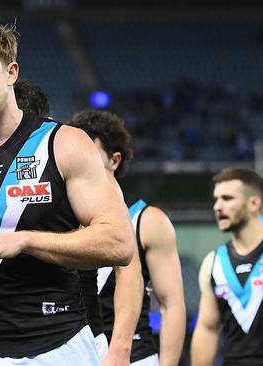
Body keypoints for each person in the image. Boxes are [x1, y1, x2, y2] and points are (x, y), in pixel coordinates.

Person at [0, 22, 135, 366]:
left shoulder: (64, 144)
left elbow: (120, 243)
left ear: (11, 72)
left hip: (56, 347)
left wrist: (24, 241)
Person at [15, 83, 145, 363]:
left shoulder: (66, 162)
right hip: (3, 340)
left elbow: (128, 266)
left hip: (73, 339)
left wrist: (120, 349)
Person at [71, 109, 186, 366]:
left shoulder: (148, 220)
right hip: (74, 353)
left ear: (114, 160)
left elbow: (172, 305)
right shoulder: (60, 219)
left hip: (134, 357)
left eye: (88, 150)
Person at [191, 168, 263, 365]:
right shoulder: (213, 262)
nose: (217, 206)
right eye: (216, 199)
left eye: (227, 198)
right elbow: (207, 327)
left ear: (254, 202)